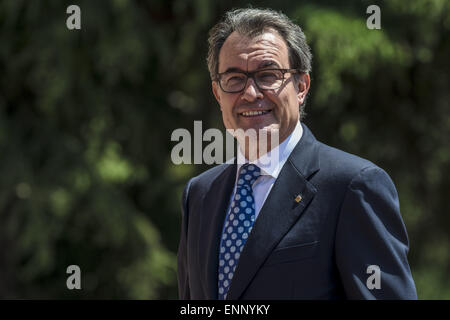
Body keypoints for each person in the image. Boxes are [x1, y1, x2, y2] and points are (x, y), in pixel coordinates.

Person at [177, 7, 417, 299]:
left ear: (301, 86)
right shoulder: (200, 194)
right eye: (234, 78)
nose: (250, 93)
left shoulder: (352, 186)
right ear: (218, 93)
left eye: (268, 75)